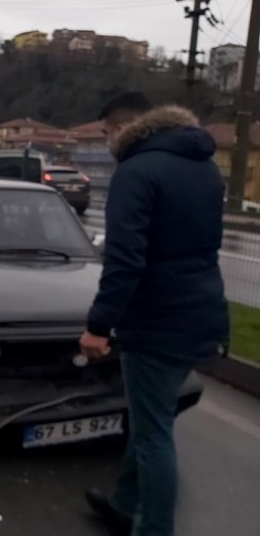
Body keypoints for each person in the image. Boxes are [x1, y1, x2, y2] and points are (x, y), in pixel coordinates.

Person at [80, 91, 229, 536]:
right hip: (200, 310)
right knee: (151, 418)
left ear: (122, 127)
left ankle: (155, 528)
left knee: (152, 435)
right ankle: (125, 504)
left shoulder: (137, 171)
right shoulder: (204, 167)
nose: (105, 140)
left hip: (156, 319)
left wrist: (98, 325)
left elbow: (125, 259)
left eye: (105, 132)